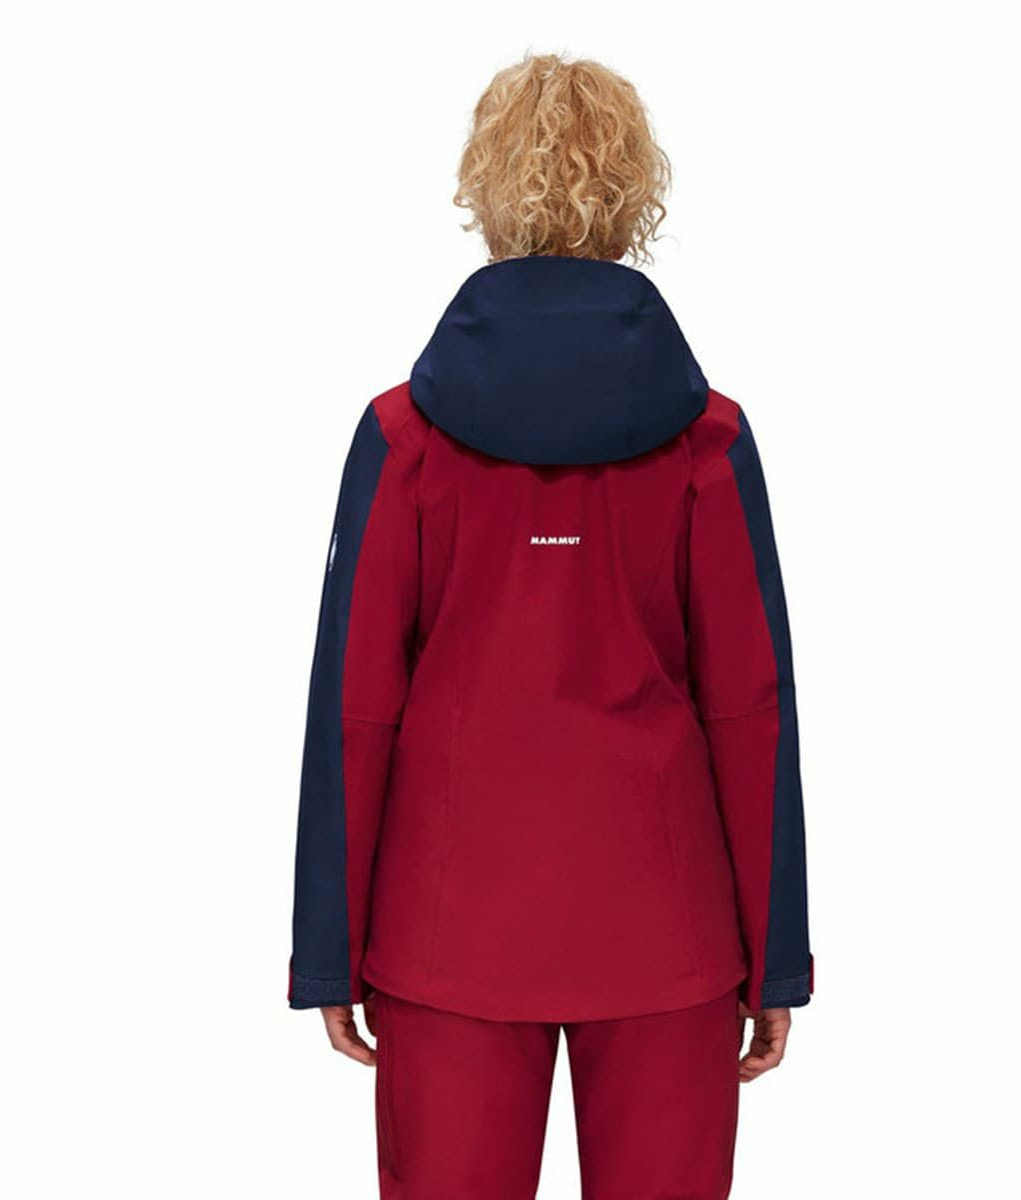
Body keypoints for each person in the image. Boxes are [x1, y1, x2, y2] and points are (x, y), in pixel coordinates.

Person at [288, 52, 813, 1200]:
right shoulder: (708, 442)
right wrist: (777, 958)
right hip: (668, 937)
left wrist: (328, 947)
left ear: (484, 188)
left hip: (448, 937)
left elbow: (355, 709)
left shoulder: (403, 441)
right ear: (633, 193)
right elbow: (751, 711)